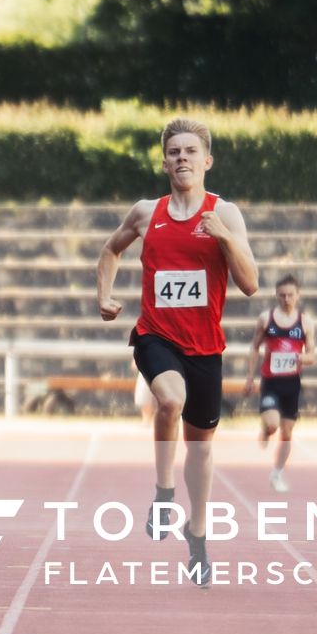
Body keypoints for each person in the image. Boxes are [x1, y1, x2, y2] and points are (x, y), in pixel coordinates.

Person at [96, 117, 259, 589]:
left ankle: (198, 533)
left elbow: (249, 285)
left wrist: (224, 238)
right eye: (174, 152)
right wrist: (103, 296)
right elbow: (110, 251)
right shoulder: (147, 213)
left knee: (202, 452)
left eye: (191, 151)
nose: (182, 158)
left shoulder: (225, 213)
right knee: (169, 400)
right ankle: (164, 492)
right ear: (164, 161)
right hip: (155, 335)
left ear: (207, 161)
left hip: (205, 346)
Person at [244, 274, 316, 493]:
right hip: (271, 382)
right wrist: (250, 377)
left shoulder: (305, 322)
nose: (286, 299)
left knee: (286, 434)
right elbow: (255, 347)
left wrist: (302, 357)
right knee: (274, 424)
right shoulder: (266, 319)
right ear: (276, 295)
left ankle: (277, 473)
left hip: (292, 384)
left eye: (290, 295)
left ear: (298, 295)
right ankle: (266, 428)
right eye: (282, 295)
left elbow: (312, 355)